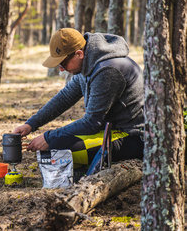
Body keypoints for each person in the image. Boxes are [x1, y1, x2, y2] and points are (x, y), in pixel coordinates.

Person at [13, 28, 144, 167]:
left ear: (79, 54)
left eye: (63, 64)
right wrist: (31, 124)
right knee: (57, 146)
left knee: (57, 148)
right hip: (109, 132)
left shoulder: (107, 70)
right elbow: (65, 97)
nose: (61, 69)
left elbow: (92, 123)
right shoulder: (88, 64)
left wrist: (48, 137)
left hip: (132, 137)